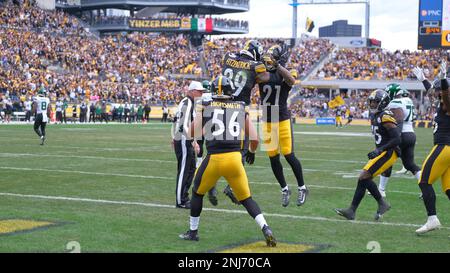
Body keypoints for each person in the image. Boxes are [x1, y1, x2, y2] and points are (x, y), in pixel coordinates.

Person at [179, 76, 276, 247]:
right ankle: (266, 228)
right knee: (246, 198)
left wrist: (202, 121)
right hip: (234, 159)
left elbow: (191, 133)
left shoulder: (207, 107)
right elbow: (254, 139)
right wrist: (251, 152)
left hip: (214, 159)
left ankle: (193, 232)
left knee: (196, 192)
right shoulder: (240, 107)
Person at [335, 89, 398, 221]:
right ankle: (353, 210)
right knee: (363, 179)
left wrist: (380, 150)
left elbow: (397, 139)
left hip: (389, 152)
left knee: (364, 176)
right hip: (383, 151)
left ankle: (380, 204)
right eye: (371, 102)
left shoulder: (385, 116)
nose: (372, 104)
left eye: (375, 102)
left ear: (382, 103)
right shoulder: (375, 115)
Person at [220, 39, 271, 203]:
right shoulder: (256, 66)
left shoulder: (228, 57)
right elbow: (265, 77)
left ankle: (210, 183)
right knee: (241, 151)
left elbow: (228, 66)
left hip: (221, 108)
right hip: (239, 110)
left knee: (217, 149)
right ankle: (232, 186)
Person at [259, 44, 308, 207]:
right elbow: (259, 77)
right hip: (267, 118)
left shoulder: (288, 71)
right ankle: (285, 189)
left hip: (281, 117)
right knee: (273, 158)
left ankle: (302, 187)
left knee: (289, 155)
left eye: (272, 57)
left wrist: (277, 65)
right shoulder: (263, 72)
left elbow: (291, 80)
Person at [413, 62, 450, 234]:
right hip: (447, 149)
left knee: (424, 181)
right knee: (449, 188)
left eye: (437, 90)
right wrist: (424, 80)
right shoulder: (441, 102)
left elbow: (445, 95)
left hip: (444, 147)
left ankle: (432, 219)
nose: (434, 93)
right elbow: (434, 93)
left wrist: (443, 80)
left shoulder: (447, 103)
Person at [375, 83, 422, 198]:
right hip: (411, 133)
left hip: (401, 134)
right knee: (410, 164)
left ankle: (381, 190)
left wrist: (395, 139)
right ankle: (425, 187)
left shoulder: (394, 103)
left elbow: (398, 121)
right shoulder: (408, 100)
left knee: (387, 161)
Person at [172, 81, 205, 209]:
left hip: (184, 139)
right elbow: (184, 125)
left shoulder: (189, 102)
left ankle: (184, 197)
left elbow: (178, 122)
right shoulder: (187, 102)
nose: (201, 94)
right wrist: (193, 141)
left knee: (190, 168)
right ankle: (180, 200)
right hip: (184, 140)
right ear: (192, 91)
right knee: (184, 170)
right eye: (199, 91)